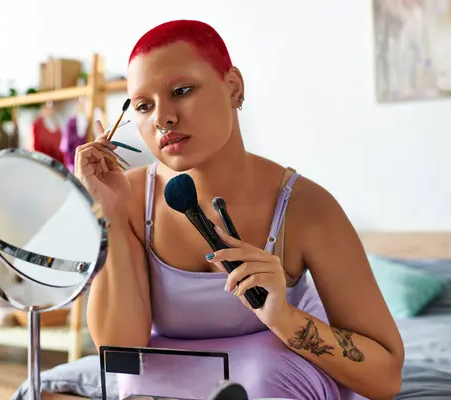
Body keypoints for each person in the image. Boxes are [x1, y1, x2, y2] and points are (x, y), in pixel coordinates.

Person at [75, 20, 404, 400]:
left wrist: (283, 318)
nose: (163, 118)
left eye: (182, 90)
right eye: (144, 106)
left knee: (263, 376)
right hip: (165, 381)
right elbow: (122, 352)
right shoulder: (128, 198)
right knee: (132, 384)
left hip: (275, 382)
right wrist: (110, 215)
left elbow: (386, 378)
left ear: (234, 87)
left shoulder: (306, 208)